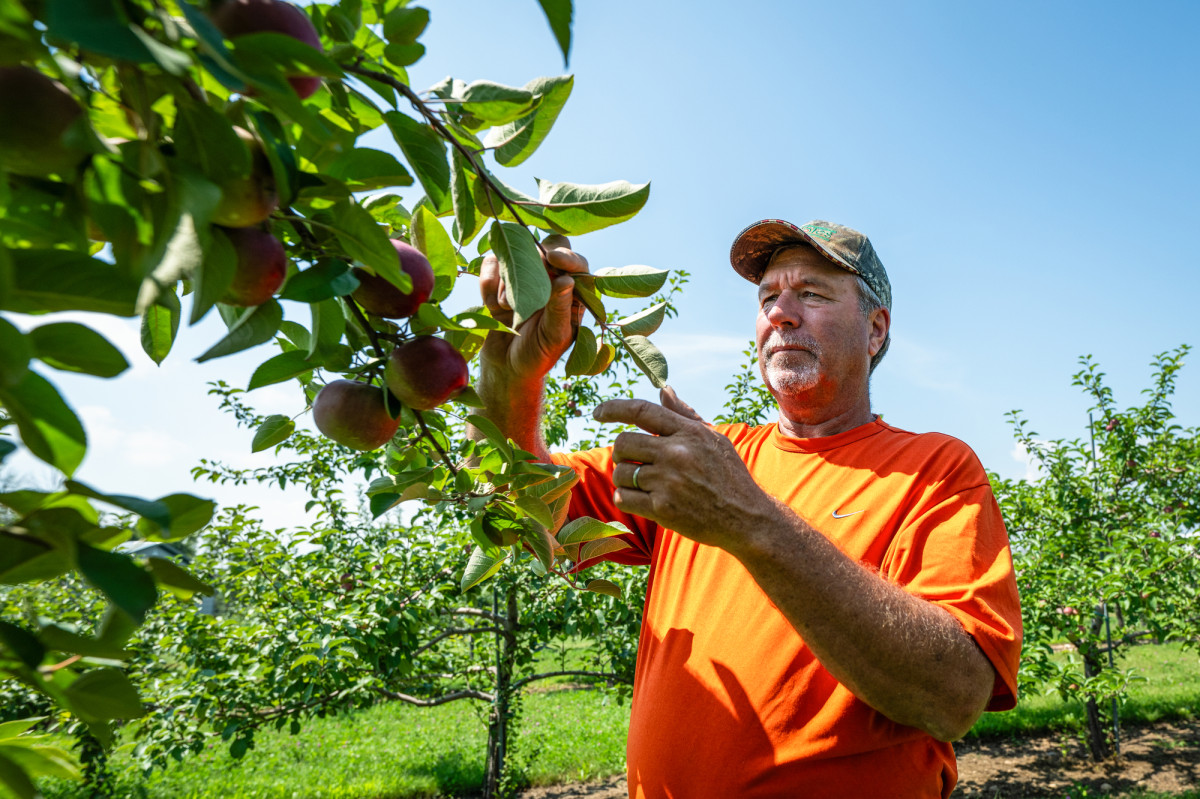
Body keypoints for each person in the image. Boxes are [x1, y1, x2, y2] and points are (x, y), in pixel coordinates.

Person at [473, 219, 1023, 798]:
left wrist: (749, 520)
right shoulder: (706, 461)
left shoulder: (933, 468)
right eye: (767, 297)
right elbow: (526, 512)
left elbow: (953, 698)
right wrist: (513, 384)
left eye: (811, 293)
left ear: (875, 330)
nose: (780, 312)